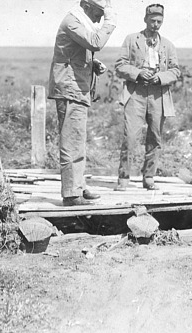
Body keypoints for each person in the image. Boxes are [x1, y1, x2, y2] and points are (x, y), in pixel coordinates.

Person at [48, 0, 117, 206]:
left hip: (74, 87)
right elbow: (95, 42)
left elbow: (70, 51)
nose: (99, 19)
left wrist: (91, 63)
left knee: (77, 139)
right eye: (98, 13)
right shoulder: (72, 21)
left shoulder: (78, 19)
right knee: (72, 140)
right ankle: (71, 194)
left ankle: (77, 185)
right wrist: (110, 23)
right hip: (71, 89)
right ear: (87, 7)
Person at [114, 3, 181, 191]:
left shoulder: (168, 45)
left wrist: (160, 77)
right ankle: (123, 178)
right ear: (145, 20)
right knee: (131, 137)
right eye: (152, 21)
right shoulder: (131, 40)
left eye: (159, 21)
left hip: (158, 94)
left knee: (155, 137)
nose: (156, 24)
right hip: (136, 92)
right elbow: (120, 65)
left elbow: (176, 71)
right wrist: (137, 73)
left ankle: (149, 177)